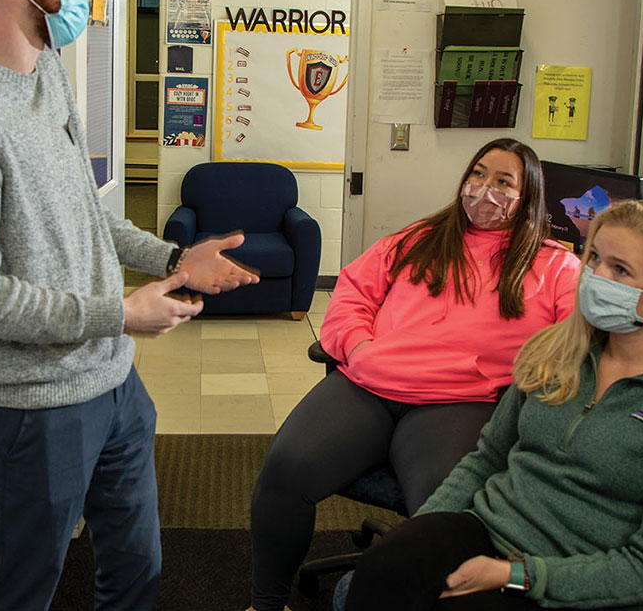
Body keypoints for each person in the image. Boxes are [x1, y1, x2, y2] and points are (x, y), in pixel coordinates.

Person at [0, 0, 258, 611]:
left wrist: (172, 261)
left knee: (137, 571)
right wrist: (119, 313)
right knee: (24, 590)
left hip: (116, 386)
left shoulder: (47, 76)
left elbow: (87, 219)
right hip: (34, 410)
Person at [344, 199, 643, 611]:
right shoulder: (555, 351)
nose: (596, 277)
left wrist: (515, 574)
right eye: (593, 259)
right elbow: (488, 458)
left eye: (619, 269)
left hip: (575, 577)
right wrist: (425, 531)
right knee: (386, 564)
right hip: (489, 530)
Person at [248, 138, 580, 611]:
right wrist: (358, 348)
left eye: (504, 182)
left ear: (528, 197)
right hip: (369, 385)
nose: (485, 188)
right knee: (284, 472)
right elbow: (351, 295)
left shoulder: (556, 266)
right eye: (479, 173)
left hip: (461, 402)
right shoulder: (419, 238)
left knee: (444, 518)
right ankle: (266, 603)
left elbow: (576, 346)